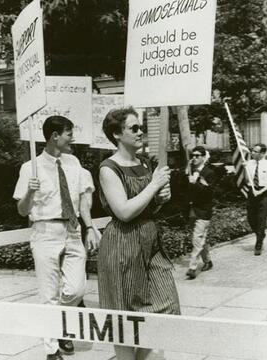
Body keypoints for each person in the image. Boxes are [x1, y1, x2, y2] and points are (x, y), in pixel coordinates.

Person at [98, 107, 180, 360]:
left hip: (149, 242)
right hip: (122, 245)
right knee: (123, 319)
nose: (140, 131)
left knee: (165, 306)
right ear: (116, 134)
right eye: (133, 128)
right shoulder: (108, 168)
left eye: (140, 126)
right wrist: (154, 186)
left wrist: (161, 198)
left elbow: (147, 205)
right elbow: (123, 211)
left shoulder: (143, 164)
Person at [13, 116, 97, 360]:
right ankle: (52, 350)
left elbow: (83, 200)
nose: (73, 138)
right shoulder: (31, 168)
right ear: (54, 136)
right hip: (45, 232)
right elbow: (22, 210)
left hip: (72, 231)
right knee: (48, 295)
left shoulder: (74, 163)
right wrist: (30, 190)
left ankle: (60, 323)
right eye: (69, 133)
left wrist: (89, 227)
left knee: (76, 290)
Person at [185, 145, 217, 279]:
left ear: (204, 157)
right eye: (193, 155)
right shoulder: (190, 171)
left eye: (197, 155)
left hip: (203, 210)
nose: (194, 158)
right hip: (191, 209)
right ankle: (208, 261)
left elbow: (209, 193)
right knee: (200, 238)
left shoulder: (209, 172)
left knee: (197, 238)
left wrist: (195, 183)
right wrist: (187, 175)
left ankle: (192, 267)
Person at [245, 143, 267, 255]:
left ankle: (258, 243)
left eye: (255, 151)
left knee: (261, 218)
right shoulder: (248, 164)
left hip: (263, 193)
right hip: (251, 192)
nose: (252, 153)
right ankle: (260, 234)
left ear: (262, 153)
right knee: (250, 218)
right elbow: (246, 179)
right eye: (252, 151)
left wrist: (260, 191)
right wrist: (243, 168)